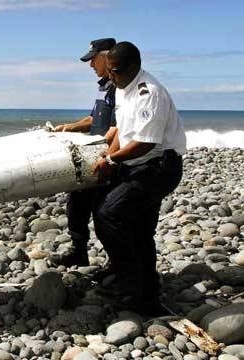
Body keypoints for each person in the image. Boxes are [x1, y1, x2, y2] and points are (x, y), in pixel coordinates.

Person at [91, 42, 186, 315]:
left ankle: (131, 284)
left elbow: (145, 142)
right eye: (109, 71)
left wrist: (111, 160)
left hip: (158, 168)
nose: (111, 76)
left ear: (135, 67)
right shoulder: (123, 87)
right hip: (136, 165)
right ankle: (147, 293)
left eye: (116, 71)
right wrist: (109, 157)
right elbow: (123, 129)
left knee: (110, 214)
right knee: (139, 229)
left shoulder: (150, 93)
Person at [50, 38, 117, 268]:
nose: (90, 66)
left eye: (93, 60)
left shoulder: (119, 88)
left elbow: (118, 129)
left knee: (104, 213)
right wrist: (68, 127)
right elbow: (92, 119)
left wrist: (107, 157)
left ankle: (115, 263)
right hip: (93, 154)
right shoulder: (103, 87)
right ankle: (79, 250)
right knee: (76, 204)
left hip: (107, 158)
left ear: (107, 57)